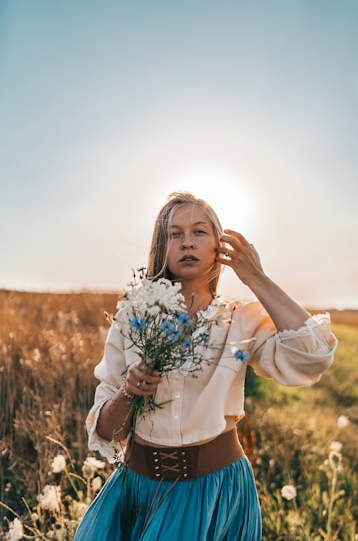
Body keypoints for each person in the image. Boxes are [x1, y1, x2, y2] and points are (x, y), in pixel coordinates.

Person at [73, 191, 337, 541]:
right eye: (174, 233)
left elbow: (313, 356)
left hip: (215, 493)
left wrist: (255, 277)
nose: (187, 243)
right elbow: (107, 431)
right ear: (161, 246)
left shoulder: (239, 319)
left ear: (219, 245)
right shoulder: (132, 317)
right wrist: (128, 391)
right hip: (138, 493)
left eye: (199, 232)